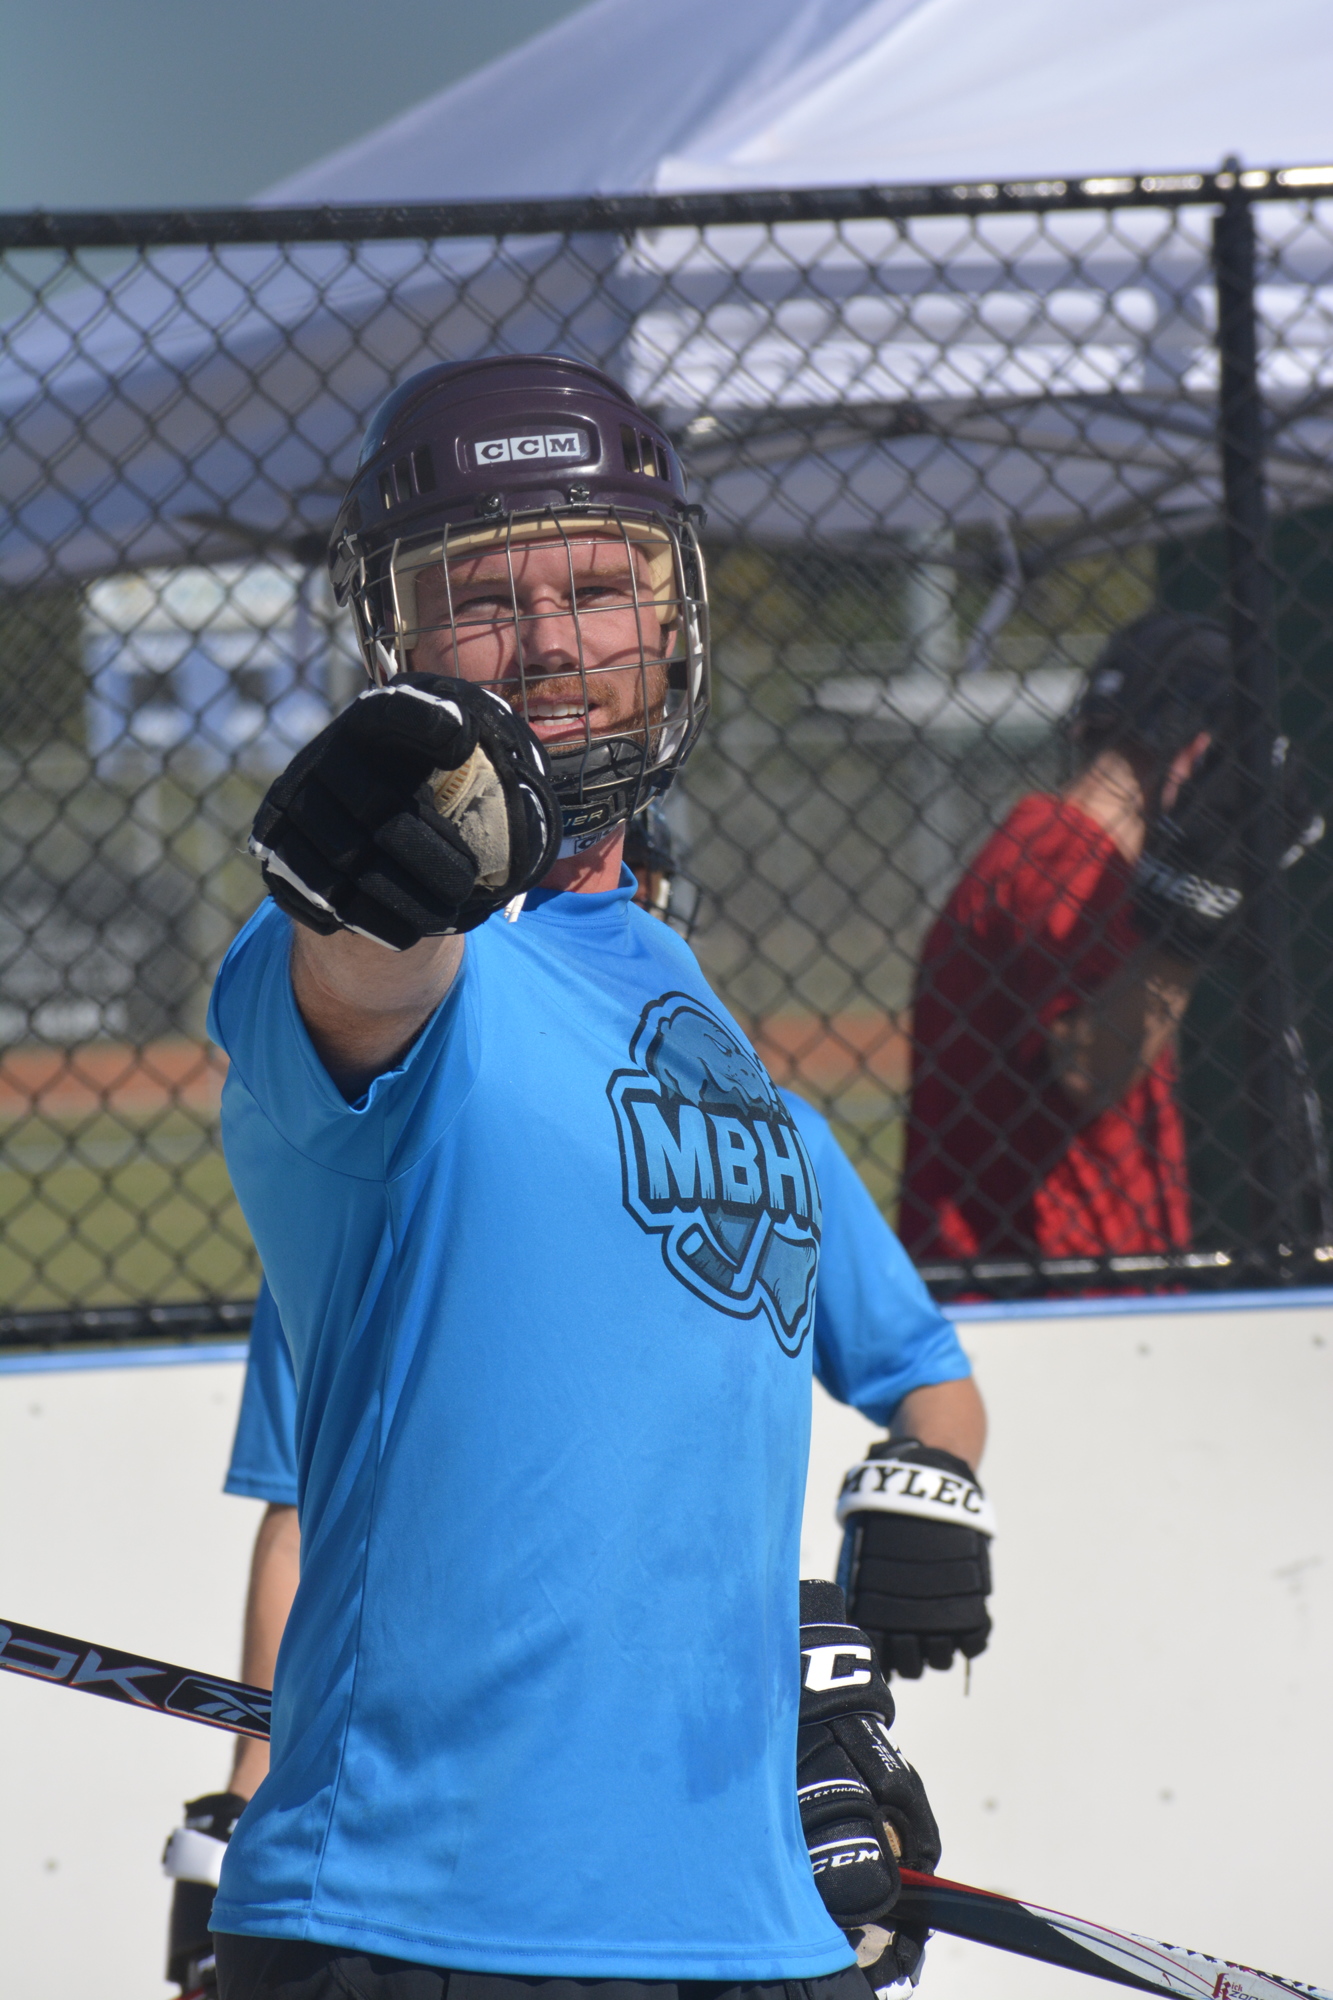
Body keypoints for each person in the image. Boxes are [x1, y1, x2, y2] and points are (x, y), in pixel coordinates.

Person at [199, 353, 961, 2000]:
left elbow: (691, 1440)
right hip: (431, 1927)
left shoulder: (691, 1009)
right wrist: (369, 884)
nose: (550, 643)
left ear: (669, 618)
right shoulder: (392, 957)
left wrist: (809, 1674)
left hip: (746, 1925)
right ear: (395, 637)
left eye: (599, 586)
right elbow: (360, 978)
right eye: (484, 599)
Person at [165, 787, 991, 1993]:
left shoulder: (770, 1132)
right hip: (448, 1883)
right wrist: (253, 1778)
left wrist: (846, 1606)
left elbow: (932, 1382)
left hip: (728, 1874)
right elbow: (305, 1519)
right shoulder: (410, 1148)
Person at [898, 611, 1319, 1271]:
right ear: (1196, 752)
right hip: (1056, 1297)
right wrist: (1187, 923)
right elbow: (1085, 1067)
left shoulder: (1040, 844)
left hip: (1020, 1284)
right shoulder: (1074, 856)